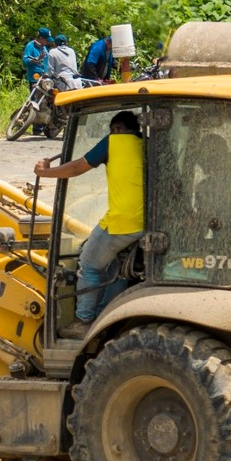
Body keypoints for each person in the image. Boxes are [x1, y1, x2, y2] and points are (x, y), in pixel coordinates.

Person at [35, 109, 145, 323]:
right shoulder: (147, 144)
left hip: (121, 222)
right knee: (118, 269)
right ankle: (107, 316)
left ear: (116, 129)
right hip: (143, 222)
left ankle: (83, 320)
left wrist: (44, 172)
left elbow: (77, 167)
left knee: (89, 265)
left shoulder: (114, 140)